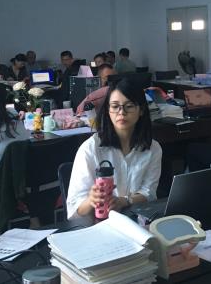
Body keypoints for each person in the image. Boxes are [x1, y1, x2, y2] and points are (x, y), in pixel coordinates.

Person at [66, 78, 162, 220]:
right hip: (99, 224)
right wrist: (91, 200)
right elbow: (75, 208)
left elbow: (149, 193)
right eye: (115, 106)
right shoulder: (90, 149)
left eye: (129, 106)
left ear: (141, 110)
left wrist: (124, 201)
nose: (121, 112)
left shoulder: (153, 148)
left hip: (137, 222)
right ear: (108, 110)